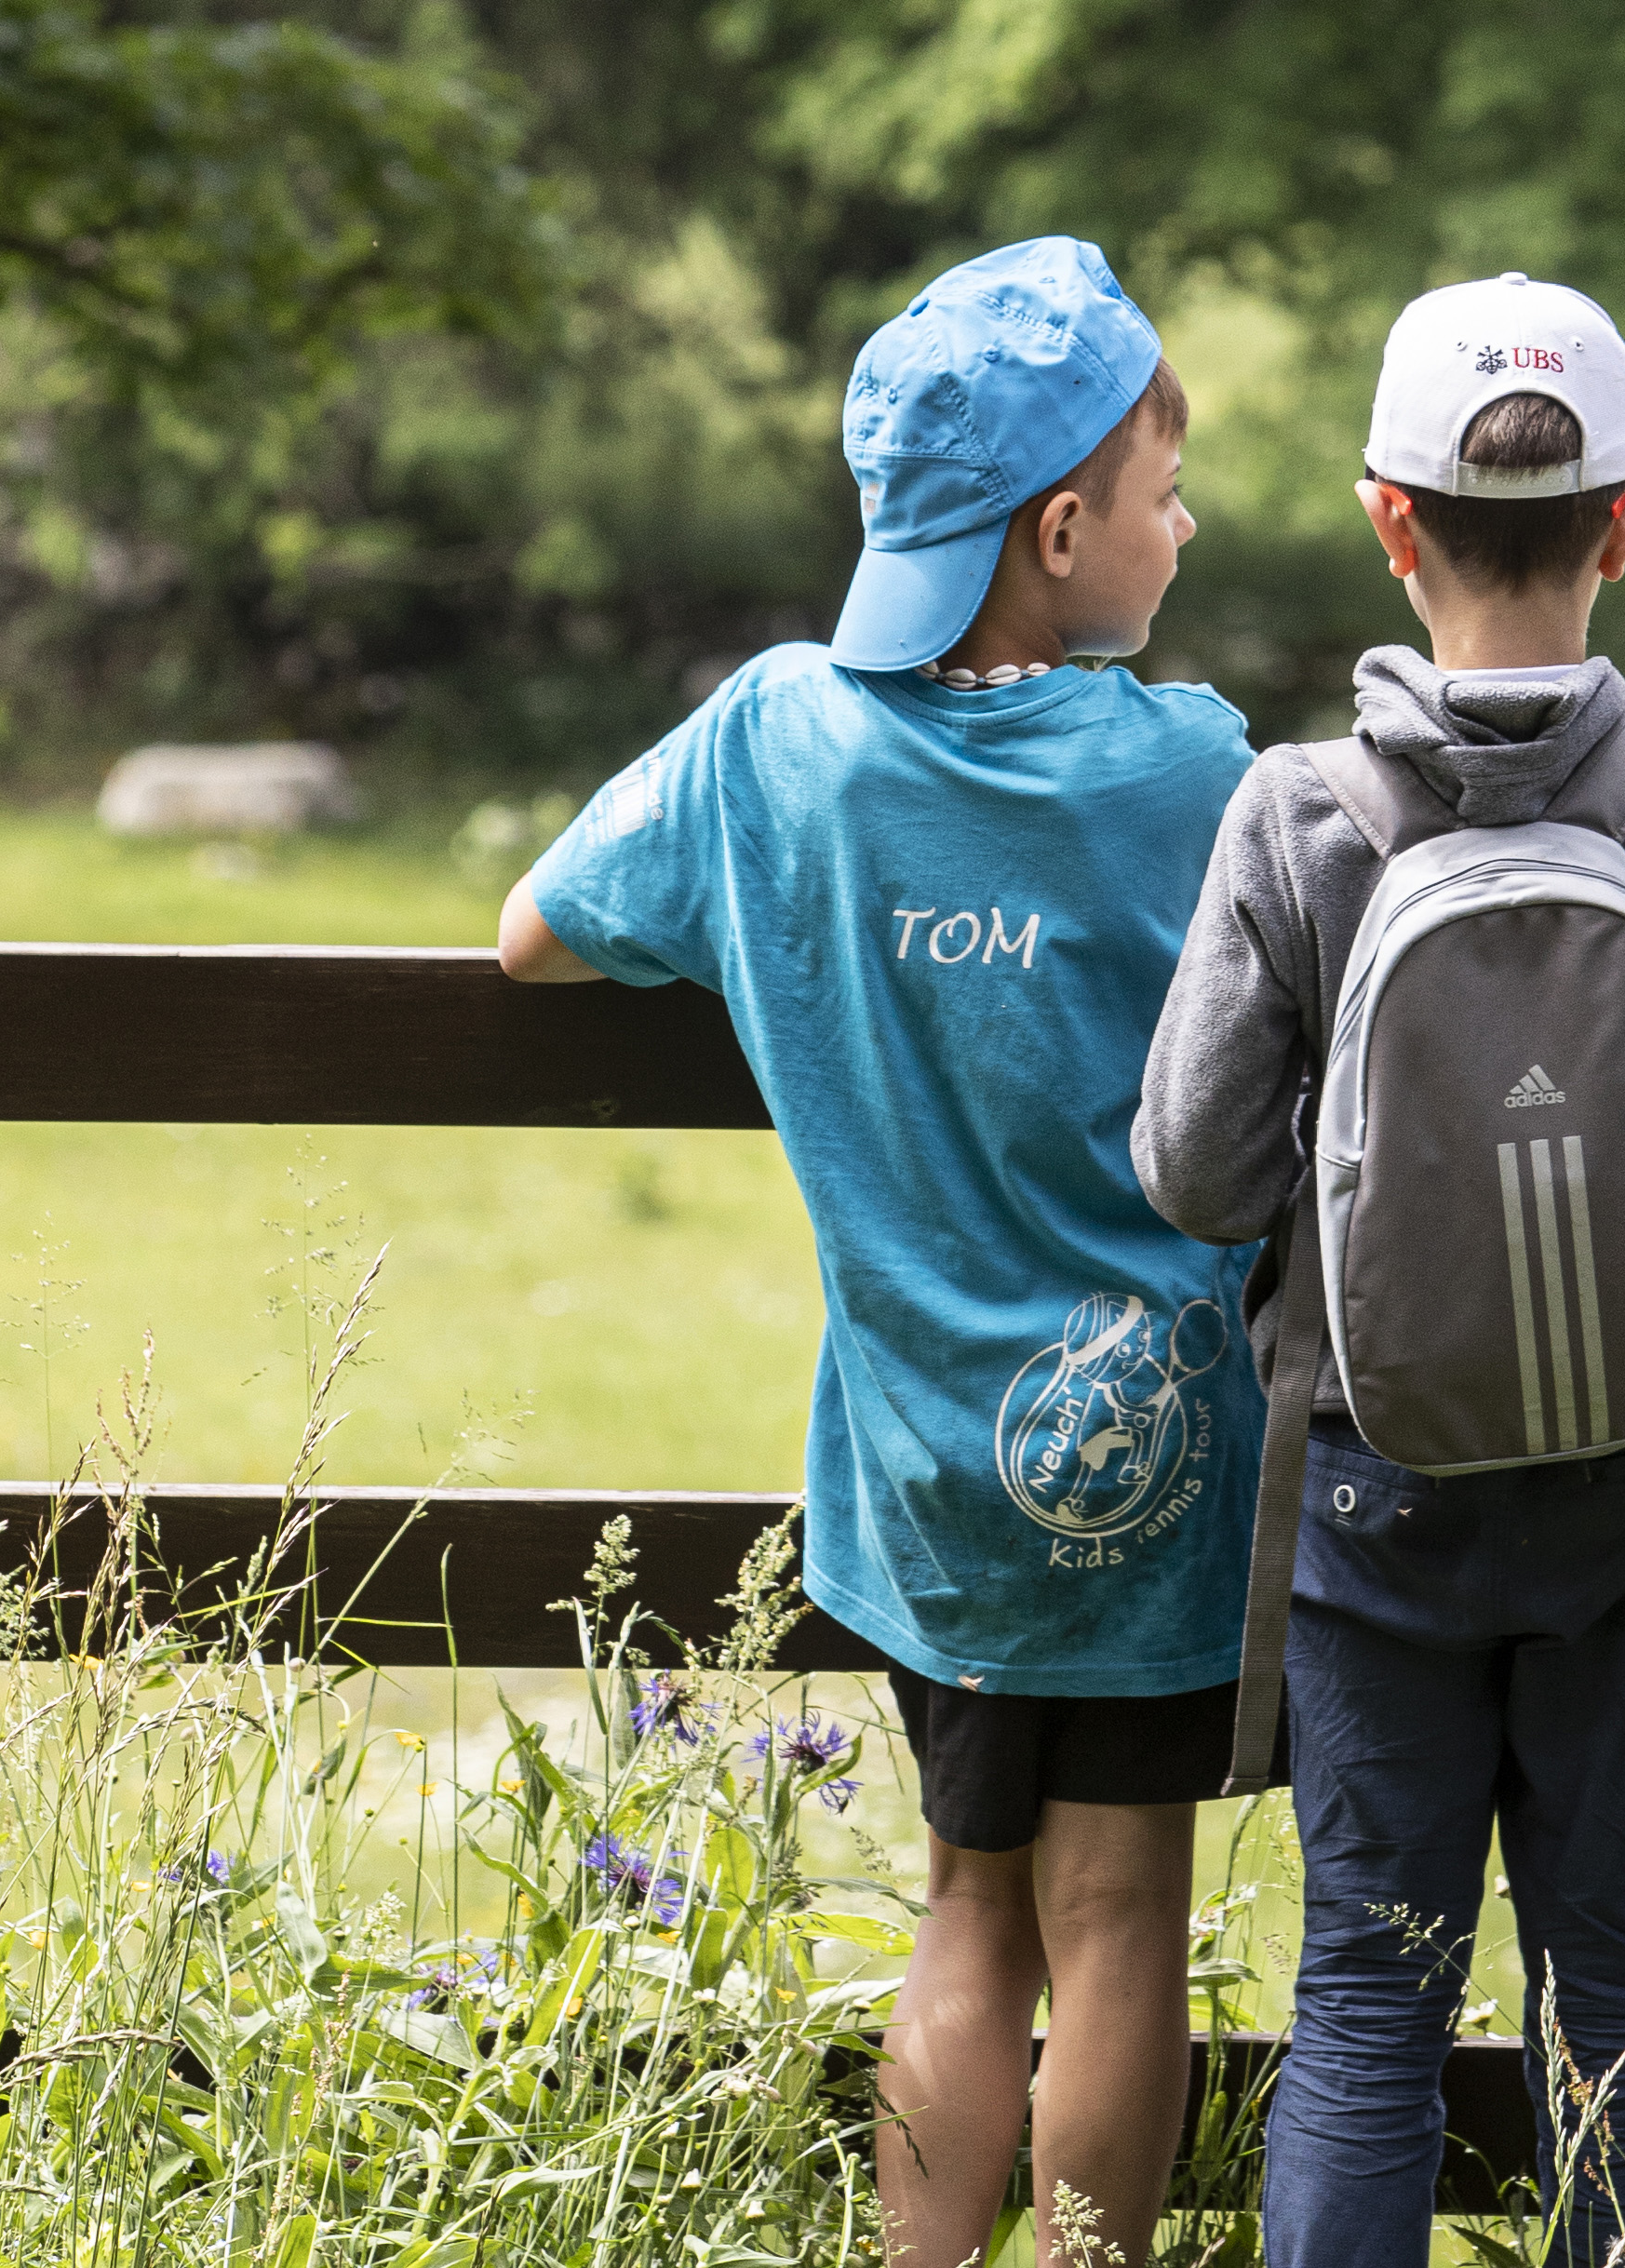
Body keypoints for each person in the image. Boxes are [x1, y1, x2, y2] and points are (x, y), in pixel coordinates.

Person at [494, 236, 1256, 2268]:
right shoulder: (1185, 767)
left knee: (964, 1907)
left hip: (922, 1462)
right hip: (1162, 1450)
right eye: (1166, 497)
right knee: (1121, 1925)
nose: (1184, 534)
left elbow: (535, 930)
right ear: (1065, 526)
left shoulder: (772, 743)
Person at [1135, 272, 1625, 2268]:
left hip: (1375, 1496)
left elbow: (1201, 1176)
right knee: (1621, 2017)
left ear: (1393, 516)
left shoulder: (1297, 813)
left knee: (1368, 2003)